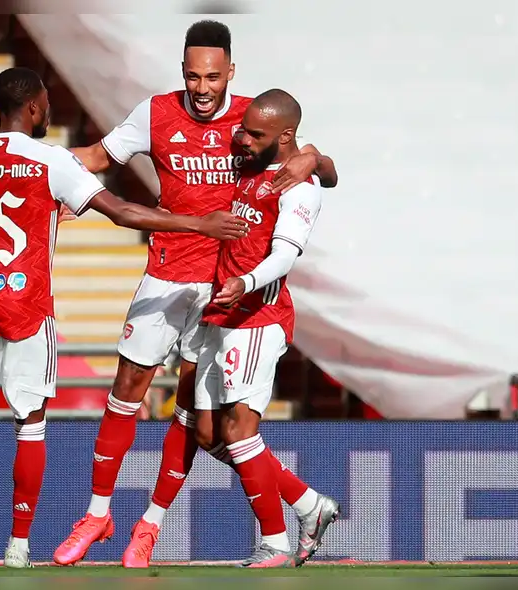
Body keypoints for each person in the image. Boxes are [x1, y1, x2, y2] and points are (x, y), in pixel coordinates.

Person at [0, 66, 250, 570]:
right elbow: (121, 212)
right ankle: (19, 547)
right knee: (29, 428)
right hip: (27, 310)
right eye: (46, 103)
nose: (49, 111)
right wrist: (199, 224)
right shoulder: (52, 161)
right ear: (31, 108)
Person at [54, 19, 339, 568]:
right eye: (192, 77)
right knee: (128, 388)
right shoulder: (156, 112)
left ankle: (149, 528)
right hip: (165, 273)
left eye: (212, 77)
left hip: (222, 289)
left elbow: (317, 172)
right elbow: (97, 157)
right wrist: (38, 168)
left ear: (230, 73)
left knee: (203, 427)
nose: (202, 88)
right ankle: (96, 513)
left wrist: (314, 157)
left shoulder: (256, 118)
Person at [194, 88, 336, 568]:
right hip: (222, 314)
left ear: (286, 136)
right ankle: (308, 504)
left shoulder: (300, 187)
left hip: (257, 316)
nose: (244, 140)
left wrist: (245, 281)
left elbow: (284, 255)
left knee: (239, 431)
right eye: (245, 130)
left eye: (256, 134)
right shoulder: (252, 162)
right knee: (207, 433)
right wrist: (317, 155)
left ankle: (274, 542)